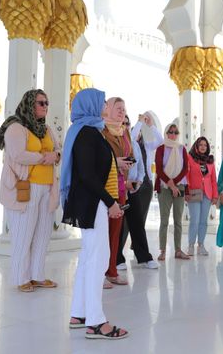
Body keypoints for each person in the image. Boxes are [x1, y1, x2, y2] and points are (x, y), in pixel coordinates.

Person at [61, 88, 128, 340]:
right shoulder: (88, 134)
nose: (104, 105)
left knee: (90, 257)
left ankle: (79, 313)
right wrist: (110, 201)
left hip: (90, 202)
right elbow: (88, 175)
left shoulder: (86, 131)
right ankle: (96, 322)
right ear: (89, 105)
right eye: (100, 101)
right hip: (94, 202)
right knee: (98, 258)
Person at [0, 89, 60, 293]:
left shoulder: (46, 129)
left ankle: (37, 275)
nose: (45, 106)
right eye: (41, 103)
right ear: (30, 104)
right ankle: (21, 277)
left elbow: (58, 149)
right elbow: (17, 154)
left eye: (47, 102)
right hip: (25, 187)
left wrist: (55, 155)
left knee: (43, 233)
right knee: (23, 234)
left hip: (47, 187)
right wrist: (43, 157)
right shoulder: (15, 127)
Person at [120, 114, 159, 269]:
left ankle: (144, 257)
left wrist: (140, 180)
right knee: (121, 225)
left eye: (127, 123)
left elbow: (141, 166)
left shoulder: (135, 144)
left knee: (137, 224)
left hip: (134, 189)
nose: (125, 125)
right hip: (119, 188)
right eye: (122, 122)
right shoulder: (114, 141)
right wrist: (125, 183)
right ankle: (117, 259)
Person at [102, 97, 132, 286]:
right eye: (118, 108)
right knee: (102, 231)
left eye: (123, 109)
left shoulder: (124, 132)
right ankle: (100, 271)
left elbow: (131, 155)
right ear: (108, 109)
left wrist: (128, 168)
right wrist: (116, 162)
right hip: (104, 186)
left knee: (116, 231)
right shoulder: (101, 130)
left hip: (121, 185)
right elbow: (101, 155)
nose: (121, 112)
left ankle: (112, 270)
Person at [155, 123, 190, 260]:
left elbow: (185, 169)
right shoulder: (161, 149)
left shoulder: (182, 149)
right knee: (164, 220)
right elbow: (158, 169)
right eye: (171, 131)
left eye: (176, 132)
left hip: (179, 186)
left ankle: (178, 250)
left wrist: (175, 185)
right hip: (164, 186)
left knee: (178, 221)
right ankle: (163, 250)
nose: (173, 134)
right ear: (166, 133)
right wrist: (171, 185)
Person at [185, 136, 218, 256]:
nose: (203, 147)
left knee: (203, 221)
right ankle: (190, 246)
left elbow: (213, 179)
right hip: (194, 192)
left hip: (207, 194)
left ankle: (201, 245)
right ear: (196, 146)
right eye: (201, 145)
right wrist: (186, 191)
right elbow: (187, 175)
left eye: (205, 145)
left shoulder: (210, 160)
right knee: (195, 220)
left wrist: (215, 195)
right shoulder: (190, 158)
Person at [131, 112, 164, 228]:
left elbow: (160, 140)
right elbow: (132, 137)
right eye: (136, 130)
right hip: (135, 183)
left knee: (143, 215)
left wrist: (151, 126)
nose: (138, 133)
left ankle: (137, 244)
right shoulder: (130, 145)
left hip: (147, 183)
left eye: (140, 130)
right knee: (133, 215)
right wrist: (139, 122)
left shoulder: (147, 146)